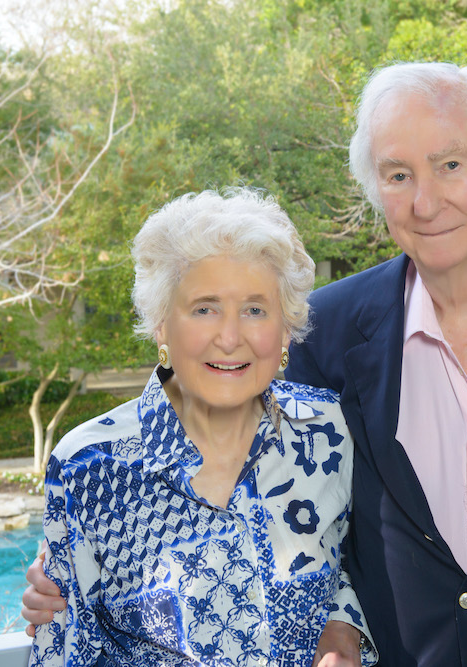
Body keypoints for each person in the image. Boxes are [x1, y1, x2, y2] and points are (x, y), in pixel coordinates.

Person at [25, 62, 467, 666]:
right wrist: (76, 559)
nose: (424, 201)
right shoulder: (328, 330)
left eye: (450, 166)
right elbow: (271, 495)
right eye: (398, 174)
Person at [26, 188, 376, 667]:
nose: (230, 338)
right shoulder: (88, 466)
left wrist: (344, 628)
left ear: (285, 329)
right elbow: (64, 650)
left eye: (255, 309)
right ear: (161, 325)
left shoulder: (330, 428)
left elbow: (365, 558)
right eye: (204, 308)